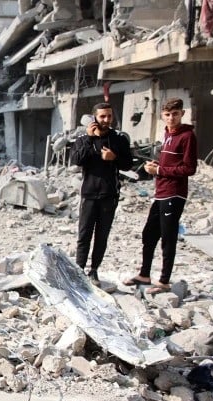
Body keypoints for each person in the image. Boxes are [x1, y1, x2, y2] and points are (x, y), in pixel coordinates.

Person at [124, 97, 197, 294]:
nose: (171, 118)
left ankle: (164, 281)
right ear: (162, 116)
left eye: (175, 114)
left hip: (174, 194)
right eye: (167, 114)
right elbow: (170, 165)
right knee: (149, 234)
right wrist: (156, 167)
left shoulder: (187, 136)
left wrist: (161, 171)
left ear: (182, 113)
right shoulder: (167, 134)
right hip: (160, 192)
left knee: (168, 237)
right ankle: (144, 274)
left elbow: (190, 168)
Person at [70, 102, 132, 285]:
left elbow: (128, 164)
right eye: (102, 116)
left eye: (109, 116)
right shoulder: (83, 139)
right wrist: (89, 139)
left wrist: (114, 158)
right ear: (94, 117)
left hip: (109, 194)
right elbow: (76, 160)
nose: (106, 120)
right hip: (89, 194)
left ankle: (94, 270)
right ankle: (79, 269)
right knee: (84, 234)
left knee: (102, 235)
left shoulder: (119, 139)